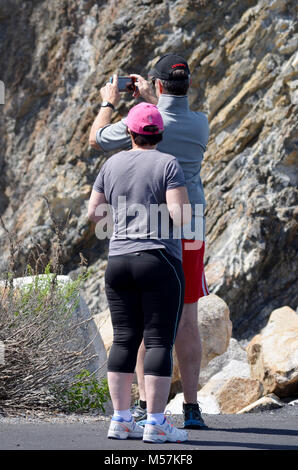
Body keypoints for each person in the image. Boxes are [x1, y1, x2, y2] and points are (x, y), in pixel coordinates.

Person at [89, 53, 210, 429]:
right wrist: (152, 100)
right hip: (191, 226)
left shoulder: (139, 120)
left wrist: (111, 101)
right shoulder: (200, 124)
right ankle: (191, 408)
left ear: (157, 85)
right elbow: (166, 119)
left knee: (142, 320)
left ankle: (143, 407)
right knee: (186, 319)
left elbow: (97, 138)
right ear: (187, 85)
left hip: (143, 227)